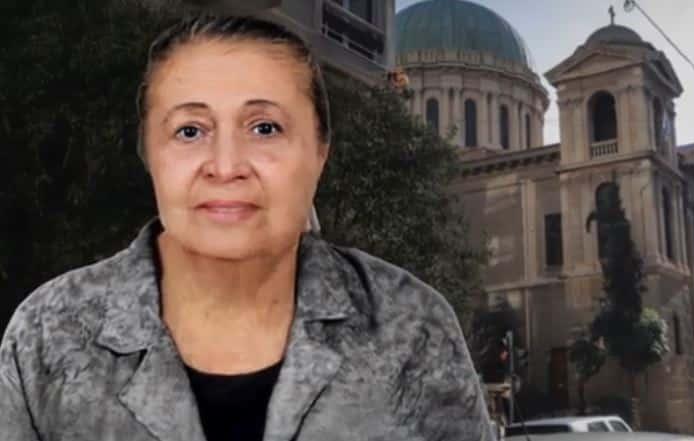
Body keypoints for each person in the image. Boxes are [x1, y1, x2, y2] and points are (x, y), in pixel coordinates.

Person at [0, 14, 493, 441]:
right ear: (147, 153)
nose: (226, 166)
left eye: (265, 128)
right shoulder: (48, 335)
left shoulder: (411, 329)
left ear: (321, 152)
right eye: (189, 131)